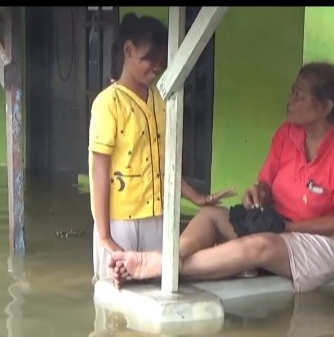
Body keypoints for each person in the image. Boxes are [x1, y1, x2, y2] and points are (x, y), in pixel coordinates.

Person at [110, 61, 334, 293]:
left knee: (260, 246)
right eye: (292, 92)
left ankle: (158, 266)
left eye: (299, 95)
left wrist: (288, 228)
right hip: (280, 225)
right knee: (210, 215)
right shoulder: (288, 133)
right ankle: (170, 257)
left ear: (325, 107)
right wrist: (259, 192)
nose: (290, 100)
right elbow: (267, 184)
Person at [89, 13, 235, 283]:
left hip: (158, 215)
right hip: (120, 220)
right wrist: (105, 235)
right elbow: (100, 172)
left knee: (156, 284)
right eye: (149, 59)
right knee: (114, 294)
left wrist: (196, 197)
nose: (157, 67)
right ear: (128, 50)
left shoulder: (162, 99)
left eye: (161, 61)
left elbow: (164, 164)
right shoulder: (108, 103)